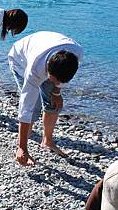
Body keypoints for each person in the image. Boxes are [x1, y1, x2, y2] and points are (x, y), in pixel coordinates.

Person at [8, 31, 83, 165]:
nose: (56, 83)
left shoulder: (76, 54)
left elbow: (59, 80)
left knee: (53, 103)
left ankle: (47, 141)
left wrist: (56, 93)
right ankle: (21, 146)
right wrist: (22, 148)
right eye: (53, 80)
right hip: (20, 58)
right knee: (34, 108)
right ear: (48, 68)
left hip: (45, 49)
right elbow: (26, 108)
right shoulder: (34, 69)